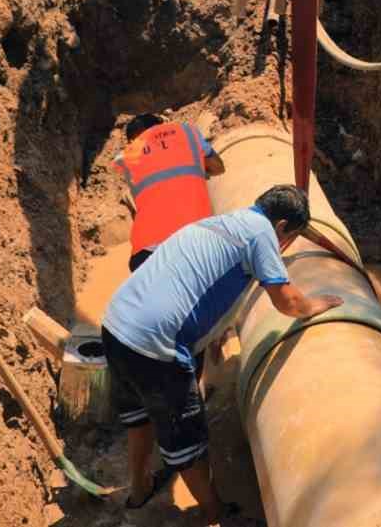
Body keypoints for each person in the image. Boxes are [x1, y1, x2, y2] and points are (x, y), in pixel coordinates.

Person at [101, 185, 342, 523]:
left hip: (116, 326)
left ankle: (140, 490)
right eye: (289, 238)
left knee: (139, 415)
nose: (284, 246)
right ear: (283, 226)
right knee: (189, 442)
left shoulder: (219, 223)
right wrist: (318, 303)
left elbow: (199, 282)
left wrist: (214, 333)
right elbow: (287, 302)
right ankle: (215, 513)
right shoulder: (262, 234)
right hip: (154, 348)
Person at [111, 113, 225, 273]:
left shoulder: (126, 156)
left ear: (132, 140)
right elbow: (218, 167)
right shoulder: (187, 132)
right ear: (161, 125)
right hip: (196, 240)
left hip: (148, 253)